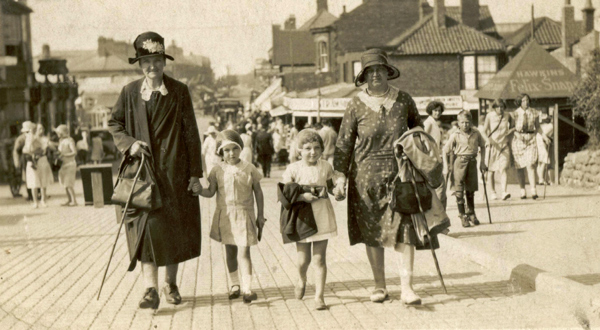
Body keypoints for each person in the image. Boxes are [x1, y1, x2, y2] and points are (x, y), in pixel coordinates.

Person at [108, 32, 203, 310]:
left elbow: (191, 134)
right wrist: (130, 144)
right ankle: (150, 289)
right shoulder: (129, 92)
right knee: (146, 229)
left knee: (173, 229)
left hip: (175, 172)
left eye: (157, 60)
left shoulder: (179, 91)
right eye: (146, 61)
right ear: (139, 64)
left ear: (164, 61)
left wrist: (195, 173)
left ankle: (170, 284)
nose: (152, 66)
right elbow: (115, 124)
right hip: (143, 175)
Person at [333, 48, 426, 305]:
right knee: (373, 232)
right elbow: (343, 145)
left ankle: (407, 287)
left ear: (387, 72)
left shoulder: (404, 100)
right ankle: (379, 285)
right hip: (365, 179)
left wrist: (416, 151)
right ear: (364, 76)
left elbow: (419, 130)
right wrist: (339, 178)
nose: (375, 75)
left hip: (400, 176)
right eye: (370, 71)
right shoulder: (355, 105)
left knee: (405, 231)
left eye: (379, 69)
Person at [197, 130, 265, 304]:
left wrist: (261, 215)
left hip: (244, 214)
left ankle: (247, 288)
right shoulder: (217, 170)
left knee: (244, 251)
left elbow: (258, 191)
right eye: (226, 150)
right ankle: (235, 285)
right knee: (231, 252)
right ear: (221, 152)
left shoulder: (249, 168)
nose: (231, 153)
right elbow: (211, 192)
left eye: (234, 148)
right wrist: (199, 191)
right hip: (226, 215)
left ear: (240, 149)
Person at [281, 129, 337, 310]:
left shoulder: (326, 166)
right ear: (299, 150)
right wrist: (302, 196)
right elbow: (284, 193)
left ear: (322, 149)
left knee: (319, 259)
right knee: (303, 260)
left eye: (316, 148)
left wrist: (338, 191)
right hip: (302, 218)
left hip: (322, 215)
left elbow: (331, 187)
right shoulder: (293, 169)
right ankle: (301, 278)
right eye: (307, 148)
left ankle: (319, 297)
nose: (312, 152)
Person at [443, 110, 487, 228]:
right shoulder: (455, 135)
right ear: (458, 123)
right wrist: (445, 166)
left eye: (467, 122)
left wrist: (483, 162)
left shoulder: (476, 133)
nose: (465, 125)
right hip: (460, 163)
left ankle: (471, 213)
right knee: (459, 190)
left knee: (471, 189)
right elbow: (445, 150)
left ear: (471, 122)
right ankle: (462, 215)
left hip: (472, 162)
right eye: (462, 122)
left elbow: (483, 146)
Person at [510, 93, 550, 199]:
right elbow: (512, 128)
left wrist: (544, 137)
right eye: (523, 100)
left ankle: (533, 190)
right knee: (520, 167)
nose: (526, 102)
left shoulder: (534, 112)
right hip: (518, 140)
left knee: (531, 164)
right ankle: (522, 190)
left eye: (527, 100)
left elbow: (538, 127)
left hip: (531, 139)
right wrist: (517, 135)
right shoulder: (515, 114)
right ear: (519, 102)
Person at [483, 99, 514, 200]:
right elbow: (484, 131)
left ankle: (504, 192)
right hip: (493, 145)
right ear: (494, 108)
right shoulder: (489, 116)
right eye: (497, 107)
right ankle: (492, 192)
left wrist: (510, 132)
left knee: (503, 168)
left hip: (504, 145)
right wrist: (488, 140)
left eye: (501, 107)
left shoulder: (507, 115)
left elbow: (513, 127)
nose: (500, 109)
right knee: (491, 170)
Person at [423, 100, 446, 209]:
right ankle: (439, 210)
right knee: (440, 185)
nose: (437, 113)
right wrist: (429, 152)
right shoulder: (429, 122)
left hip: (436, 157)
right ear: (430, 111)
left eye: (439, 111)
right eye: (435, 111)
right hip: (432, 158)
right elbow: (422, 137)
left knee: (439, 186)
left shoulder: (433, 122)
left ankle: (438, 209)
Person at [54, 125, 78, 206]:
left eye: (59, 132)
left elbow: (74, 152)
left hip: (70, 164)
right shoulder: (61, 141)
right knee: (65, 183)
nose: (58, 134)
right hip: (63, 164)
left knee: (68, 183)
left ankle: (74, 201)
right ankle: (69, 200)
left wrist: (64, 155)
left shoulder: (70, 140)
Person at [13, 121, 35, 201]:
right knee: (27, 176)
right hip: (25, 159)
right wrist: (17, 161)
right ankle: (30, 194)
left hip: (32, 158)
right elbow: (16, 150)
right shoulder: (21, 139)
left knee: (34, 176)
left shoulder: (32, 137)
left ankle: (36, 193)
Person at [537, 113, 553, 185]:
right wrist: (548, 140)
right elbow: (544, 135)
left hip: (538, 142)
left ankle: (541, 179)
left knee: (540, 162)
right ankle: (541, 179)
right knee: (544, 160)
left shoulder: (541, 126)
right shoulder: (550, 126)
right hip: (541, 142)